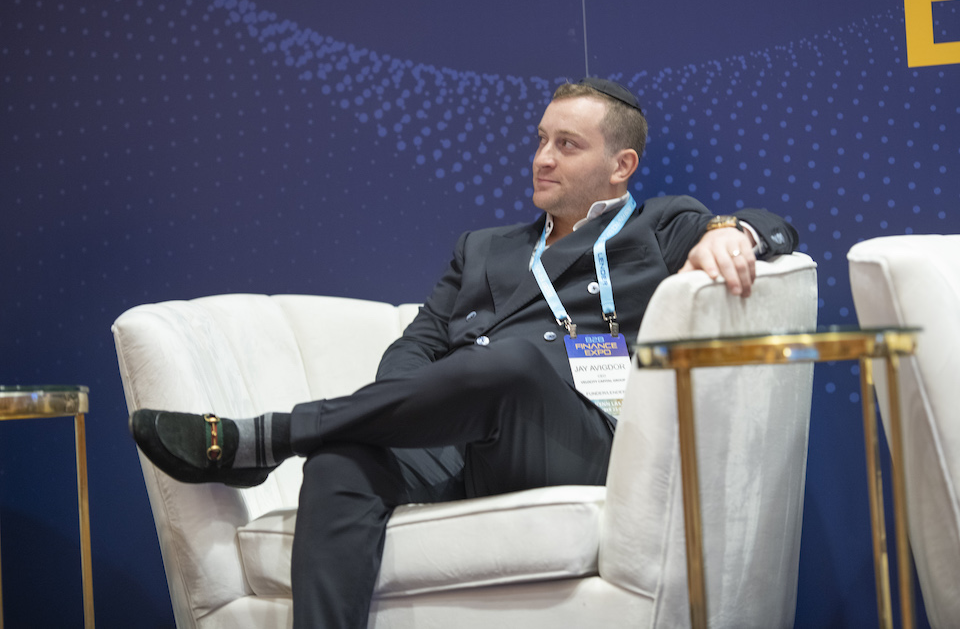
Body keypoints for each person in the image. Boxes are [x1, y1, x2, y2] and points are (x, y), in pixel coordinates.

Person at [130, 77, 798, 627]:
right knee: (342, 461)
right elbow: (415, 347)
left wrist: (731, 232)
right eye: (541, 139)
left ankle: (271, 436)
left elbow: (775, 229)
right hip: (461, 442)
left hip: (576, 441)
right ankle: (303, 450)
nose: (542, 157)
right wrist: (402, 413)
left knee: (512, 361)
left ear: (621, 165)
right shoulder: (483, 247)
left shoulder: (657, 224)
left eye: (567, 144)